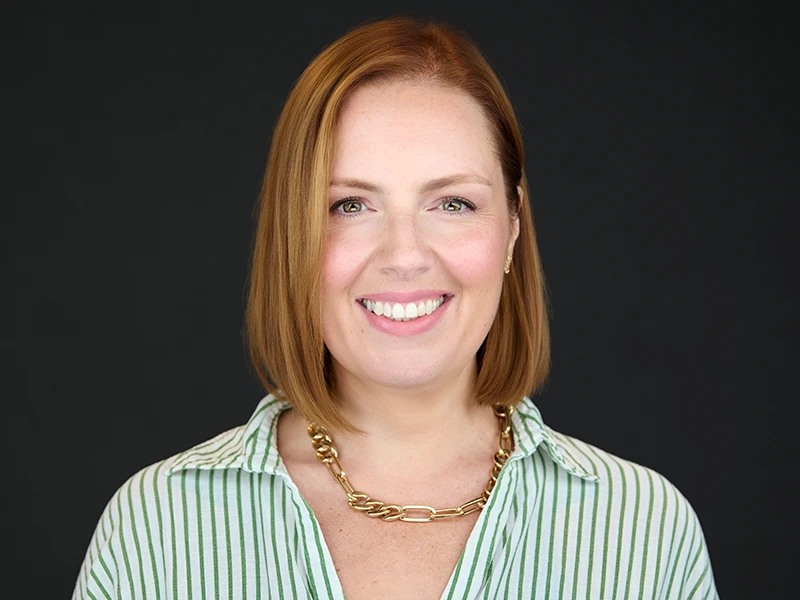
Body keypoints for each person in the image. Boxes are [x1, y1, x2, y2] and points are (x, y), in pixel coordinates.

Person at [72, 17, 718, 600]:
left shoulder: (643, 528)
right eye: (350, 205)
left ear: (514, 228)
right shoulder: (160, 524)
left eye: (453, 204)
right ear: (293, 233)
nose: (405, 255)